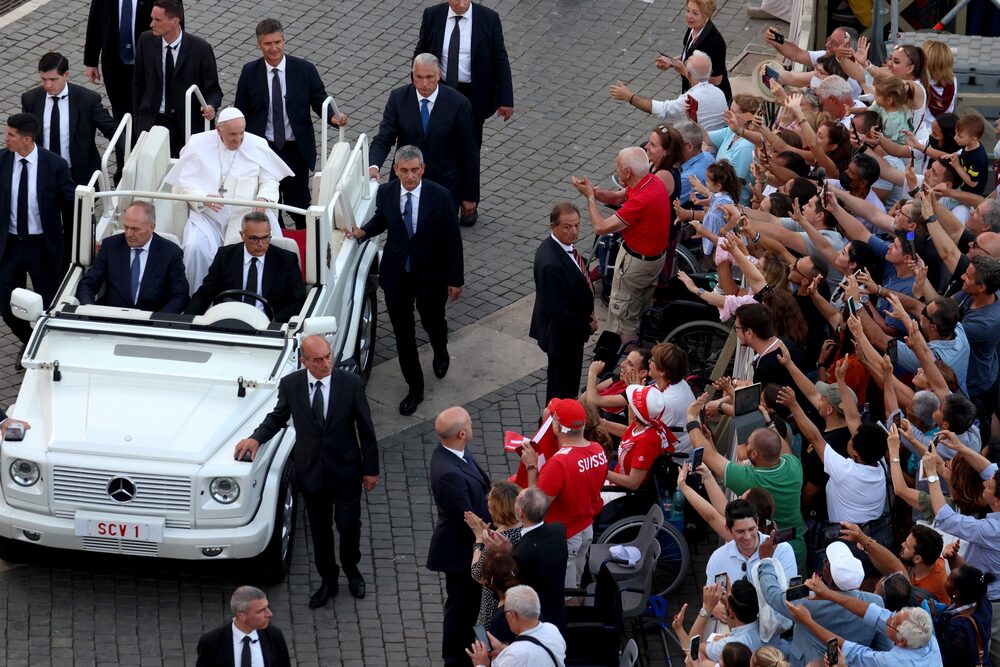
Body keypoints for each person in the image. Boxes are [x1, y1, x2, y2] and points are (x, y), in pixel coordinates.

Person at [234, 335, 379, 608]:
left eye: (328, 356)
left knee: (348, 526)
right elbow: (278, 417)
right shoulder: (292, 385)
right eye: (318, 360)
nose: (326, 363)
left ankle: (352, 569)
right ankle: (328, 579)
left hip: (345, 471)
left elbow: (366, 430)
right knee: (319, 529)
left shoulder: (350, 384)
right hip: (311, 473)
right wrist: (256, 438)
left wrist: (371, 470)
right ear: (305, 362)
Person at [347, 146, 464, 416]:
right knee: (403, 335)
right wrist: (363, 231)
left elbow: (452, 241)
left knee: (433, 322)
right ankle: (415, 388)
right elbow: (382, 220)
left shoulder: (440, 196)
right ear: (396, 171)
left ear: (423, 169)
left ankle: (440, 349)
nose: (409, 176)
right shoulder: (387, 192)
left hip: (430, 276)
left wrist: (455, 279)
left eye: (414, 170)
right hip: (397, 274)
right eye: (404, 171)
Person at [234, 18, 348, 230]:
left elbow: (319, 99)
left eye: (278, 42)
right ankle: (275, 243)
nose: (274, 48)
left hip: (295, 149)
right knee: (267, 203)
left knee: (300, 203)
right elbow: (241, 108)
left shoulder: (304, 70)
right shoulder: (249, 72)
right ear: (259, 45)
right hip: (263, 148)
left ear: (284, 41)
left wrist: (333, 118)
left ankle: (308, 246)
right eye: (268, 43)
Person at [163, 107, 292, 292]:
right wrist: (203, 198)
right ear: (218, 130)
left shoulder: (257, 144)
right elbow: (185, 182)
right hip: (209, 218)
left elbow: (270, 178)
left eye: (241, 133)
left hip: (247, 217)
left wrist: (263, 197)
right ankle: (198, 296)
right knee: (195, 247)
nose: (238, 139)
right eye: (232, 134)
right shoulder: (198, 144)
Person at [414, 0, 513, 224]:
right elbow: (421, 51)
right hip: (441, 91)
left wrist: (505, 99)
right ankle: (435, 198)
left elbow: (500, 57)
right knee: (436, 144)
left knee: (469, 148)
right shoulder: (433, 15)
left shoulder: (488, 18)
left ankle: (469, 202)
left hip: (473, 95)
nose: (459, 3)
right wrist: (417, 87)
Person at [691, 394, 807, 565]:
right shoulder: (793, 465)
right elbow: (782, 448)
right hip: (797, 548)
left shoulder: (750, 479)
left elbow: (709, 457)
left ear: (754, 454)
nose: (745, 445)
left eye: (748, 443)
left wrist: (690, 419)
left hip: (764, 552)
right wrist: (769, 423)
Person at [570, 146, 671, 338]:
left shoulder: (641, 199)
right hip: (653, 260)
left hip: (635, 264)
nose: (615, 170)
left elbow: (600, 227)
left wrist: (591, 199)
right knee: (639, 309)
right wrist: (592, 191)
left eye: (617, 167)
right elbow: (618, 197)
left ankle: (628, 360)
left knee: (624, 320)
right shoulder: (652, 182)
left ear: (627, 172)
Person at [369, 53, 478, 222]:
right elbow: (384, 137)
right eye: (419, 77)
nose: (424, 84)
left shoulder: (458, 104)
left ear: (439, 75)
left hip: (444, 185)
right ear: (412, 75)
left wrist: (470, 195)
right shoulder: (398, 98)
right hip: (406, 183)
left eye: (429, 77)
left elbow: (469, 152)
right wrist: (373, 165)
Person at [0, 113, 77, 348]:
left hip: (42, 246)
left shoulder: (54, 165)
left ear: (27, 139)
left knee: (47, 303)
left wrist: (84, 239)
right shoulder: (2, 160)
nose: (6, 138)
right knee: (6, 305)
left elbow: (73, 206)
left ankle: (45, 346)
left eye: (11, 135)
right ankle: (31, 341)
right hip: (10, 245)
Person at [426, 406, 491, 667]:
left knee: (467, 605)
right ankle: (455, 658)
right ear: (462, 433)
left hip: (467, 546)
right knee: (461, 609)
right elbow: (468, 518)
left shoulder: (454, 453)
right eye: (470, 423)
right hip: (461, 552)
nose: (473, 426)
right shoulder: (449, 473)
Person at [520, 398, 608, 590]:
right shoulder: (598, 450)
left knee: (565, 596)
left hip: (565, 537)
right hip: (586, 530)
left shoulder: (559, 464)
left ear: (557, 427)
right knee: (574, 586)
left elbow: (535, 509)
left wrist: (531, 467)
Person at [757, 541, 889, 665]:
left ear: (830, 578)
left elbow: (772, 594)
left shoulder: (809, 601)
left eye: (826, 563)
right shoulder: (876, 602)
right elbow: (884, 648)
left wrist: (766, 560)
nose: (823, 563)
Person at [925, 452, 1000, 665]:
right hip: (988, 591)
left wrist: (931, 474)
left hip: (992, 601)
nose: (985, 482)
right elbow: (991, 470)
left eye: (990, 485)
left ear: (996, 500)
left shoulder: (993, 529)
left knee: (988, 652)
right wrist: (960, 447)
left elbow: (946, 519)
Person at [132, 0, 221, 157]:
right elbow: (138, 84)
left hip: (186, 124)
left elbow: (213, 90)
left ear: (175, 21)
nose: (151, 24)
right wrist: (138, 120)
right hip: (153, 121)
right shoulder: (145, 41)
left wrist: (212, 107)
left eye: (157, 20)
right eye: (152, 18)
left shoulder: (200, 49)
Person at [788, 575, 942, 665]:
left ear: (902, 641)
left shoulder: (890, 662)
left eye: (891, 622)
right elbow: (872, 613)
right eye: (894, 614)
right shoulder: (926, 637)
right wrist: (829, 594)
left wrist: (808, 622)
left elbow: (849, 649)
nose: (888, 618)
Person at [184, 211, 305, 323]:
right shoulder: (225, 256)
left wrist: (273, 323)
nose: (260, 244)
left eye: (265, 238)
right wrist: (186, 321)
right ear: (242, 235)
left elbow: (298, 300)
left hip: (268, 326)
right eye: (254, 238)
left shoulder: (286, 259)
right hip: (230, 321)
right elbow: (205, 293)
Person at [530, 202, 596, 402]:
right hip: (562, 337)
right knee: (561, 389)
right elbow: (559, 310)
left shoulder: (564, 248)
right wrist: (586, 326)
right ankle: (553, 425)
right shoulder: (551, 262)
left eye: (577, 225)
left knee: (566, 384)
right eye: (567, 227)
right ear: (553, 227)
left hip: (568, 332)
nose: (574, 231)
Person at [21, 52, 117, 186]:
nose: (48, 85)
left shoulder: (87, 99)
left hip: (77, 174)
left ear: (66, 75)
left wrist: (131, 154)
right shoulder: (30, 99)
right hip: (43, 172)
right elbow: (25, 135)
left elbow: (112, 130)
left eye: (53, 79)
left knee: (76, 207)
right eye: (44, 79)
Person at [76, 200, 189, 312]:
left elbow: (180, 295)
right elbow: (88, 284)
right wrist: (90, 311)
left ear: (152, 227)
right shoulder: (110, 246)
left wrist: (159, 321)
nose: (129, 234)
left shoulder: (170, 253)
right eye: (126, 227)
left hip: (150, 323)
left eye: (135, 229)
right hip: (111, 318)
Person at [483, 486, 569, 632]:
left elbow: (509, 588)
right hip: (557, 615)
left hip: (534, 623)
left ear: (521, 513)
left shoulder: (521, 555)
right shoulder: (558, 530)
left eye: (516, 501)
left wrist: (505, 555)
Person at [84, 0, 174, 128]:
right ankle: (125, 144)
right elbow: (95, 20)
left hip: (150, 63)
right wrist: (91, 61)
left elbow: (174, 22)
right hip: (114, 63)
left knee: (149, 109)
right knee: (120, 112)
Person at [610, 51, 727, 131]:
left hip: (697, 147)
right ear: (710, 72)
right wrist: (677, 65)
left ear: (688, 73)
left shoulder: (690, 99)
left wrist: (629, 97)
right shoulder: (719, 93)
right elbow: (695, 77)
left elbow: (660, 109)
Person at [465, 585, 567, 667]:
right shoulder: (552, 630)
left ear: (513, 615)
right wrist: (503, 648)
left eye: (505, 613)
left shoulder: (514, 655)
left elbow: (520, 655)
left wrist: (480, 664)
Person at [705, 500, 798, 587]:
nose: (747, 536)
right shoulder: (718, 558)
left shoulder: (782, 550)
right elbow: (714, 601)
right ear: (728, 529)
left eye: (751, 529)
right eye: (740, 531)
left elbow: (787, 598)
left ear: (757, 522)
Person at [466, 481, 522, 626]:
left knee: (485, 638)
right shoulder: (522, 529)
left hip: (493, 604)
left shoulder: (496, 543)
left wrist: (479, 539)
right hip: (514, 602)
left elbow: (478, 574)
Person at [195, 585, 290, 667]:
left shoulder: (274, 636)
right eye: (261, 611)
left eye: (267, 607)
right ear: (242, 615)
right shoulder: (211, 642)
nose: (269, 614)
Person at [660, 0, 732, 103]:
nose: (689, 16)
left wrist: (685, 71)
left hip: (710, 100)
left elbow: (716, 80)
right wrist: (670, 62)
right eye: (688, 10)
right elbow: (688, 54)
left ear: (706, 16)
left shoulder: (714, 42)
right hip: (693, 93)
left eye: (695, 13)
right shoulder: (693, 28)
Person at [933, 564, 996, 667]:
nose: (945, 580)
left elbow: (946, 658)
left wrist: (935, 619)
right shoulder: (983, 602)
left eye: (948, 580)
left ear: (956, 593)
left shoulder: (957, 627)